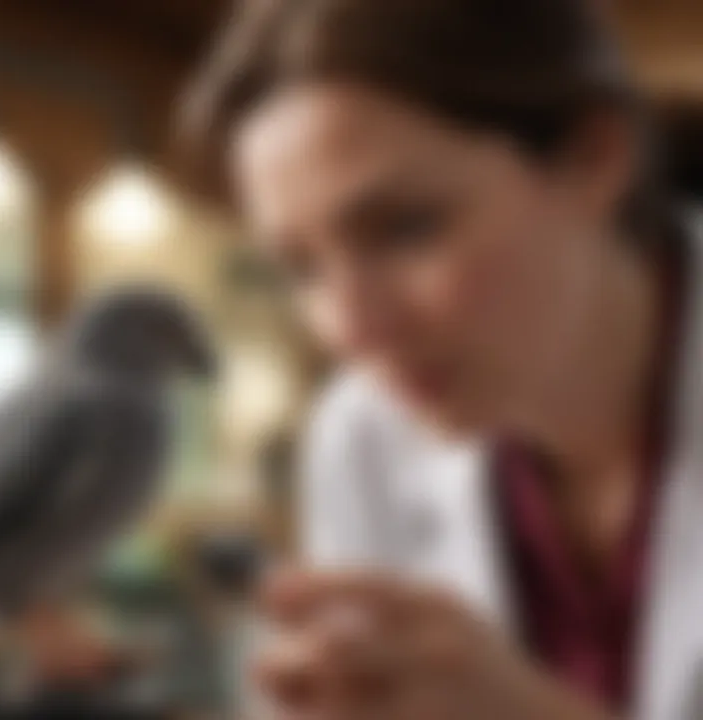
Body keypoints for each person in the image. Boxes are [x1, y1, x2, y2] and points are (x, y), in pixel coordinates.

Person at [182, 0, 703, 718]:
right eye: (299, 269)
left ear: (594, 158)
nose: (350, 329)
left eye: (407, 228)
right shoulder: (364, 433)